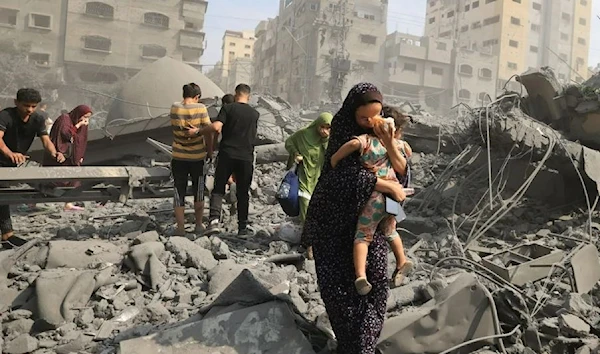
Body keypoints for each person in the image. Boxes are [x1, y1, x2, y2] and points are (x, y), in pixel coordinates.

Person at [301, 83, 407, 353]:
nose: (371, 122)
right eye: (364, 118)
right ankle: (352, 346)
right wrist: (385, 185)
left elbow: (402, 172)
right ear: (352, 114)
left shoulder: (384, 135)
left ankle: (364, 346)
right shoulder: (343, 132)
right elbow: (340, 174)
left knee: (376, 288)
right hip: (335, 227)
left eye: (377, 114)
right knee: (341, 295)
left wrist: (389, 142)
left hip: (371, 225)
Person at [330, 106, 413, 295]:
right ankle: (402, 260)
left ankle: (360, 276)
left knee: (362, 235)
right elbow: (406, 156)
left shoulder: (367, 141)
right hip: (394, 197)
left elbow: (351, 146)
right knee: (391, 230)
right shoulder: (400, 145)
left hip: (375, 198)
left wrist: (334, 159)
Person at [0, 88, 66, 248]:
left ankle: (7, 236)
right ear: (16, 103)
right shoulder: (5, 115)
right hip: (2, 159)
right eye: (26, 105)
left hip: (16, 162)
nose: (29, 110)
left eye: (33, 106)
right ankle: (7, 234)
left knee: (5, 196)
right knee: (2, 196)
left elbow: (45, 140)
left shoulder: (37, 119)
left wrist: (54, 153)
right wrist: (10, 153)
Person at [201, 84, 260, 237]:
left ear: (235, 94)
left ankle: (214, 222)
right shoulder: (254, 114)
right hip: (246, 157)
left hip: (227, 154)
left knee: (219, 188)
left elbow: (216, 127)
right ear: (249, 96)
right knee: (242, 192)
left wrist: (199, 131)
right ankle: (242, 228)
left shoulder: (228, 109)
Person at [285, 112, 333, 259]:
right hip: (304, 178)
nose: (324, 130)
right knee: (306, 209)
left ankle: (313, 239)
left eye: (328, 128)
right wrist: (295, 153)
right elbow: (289, 142)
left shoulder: (329, 140)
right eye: (322, 127)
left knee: (319, 211)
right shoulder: (303, 135)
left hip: (319, 180)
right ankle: (311, 245)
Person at [170, 83, 213, 236]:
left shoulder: (174, 107)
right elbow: (208, 131)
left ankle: (180, 228)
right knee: (199, 190)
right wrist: (209, 151)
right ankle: (199, 225)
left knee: (178, 191)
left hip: (178, 157)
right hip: (197, 157)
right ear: (197, 97)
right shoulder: (201, 108)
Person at [43, 105, 93, 211]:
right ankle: (37, 201)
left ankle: (68, 203)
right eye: (84, 116)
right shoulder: (64, 119)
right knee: (52, 179)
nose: (85, 120)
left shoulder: (83, 123)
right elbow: (65, 135)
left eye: (88, 117)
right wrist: (78, 125)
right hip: (59, 153)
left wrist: (80, 155)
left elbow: (81, 140)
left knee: (74, 178)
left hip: (71, 156)